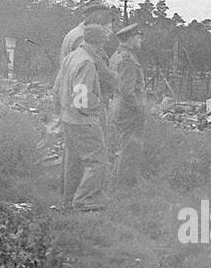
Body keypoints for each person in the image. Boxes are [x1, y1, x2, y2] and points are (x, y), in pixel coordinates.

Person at [55, 23, 112, 212]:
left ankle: (68, 200)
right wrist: (99, 105)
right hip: (83, 120)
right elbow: (81, 99)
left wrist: (61, 110)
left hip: (67, 117)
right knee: (97, 160)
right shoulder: (87, 62)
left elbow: (56, 88)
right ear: (100, 44)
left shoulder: (71, 57)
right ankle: (84, 201)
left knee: (73, 162)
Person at [108, 22, 147, 187]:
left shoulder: (117, 55)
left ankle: (120, 182)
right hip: (128, 110)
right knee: (129, 149)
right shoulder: (128, 60)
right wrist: (139, 109)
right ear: (129, 39)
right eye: (138, 37)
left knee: (122, 147)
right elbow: (127, 91)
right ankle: (122, 185)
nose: (140, 41)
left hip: (118, 106)